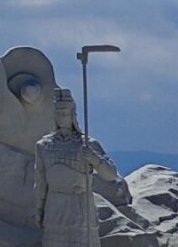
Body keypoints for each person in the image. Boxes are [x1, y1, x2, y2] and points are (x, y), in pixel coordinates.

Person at [36, 89, 117, 247]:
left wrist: (94, 159)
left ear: (72, 114)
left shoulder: (87, 144)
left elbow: (111, 175)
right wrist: (39, 208)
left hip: (80, 207)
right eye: (58, 113)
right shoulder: (43, 146)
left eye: (64, 113)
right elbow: (40, 181)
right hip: (54, 206)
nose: (61, 117)